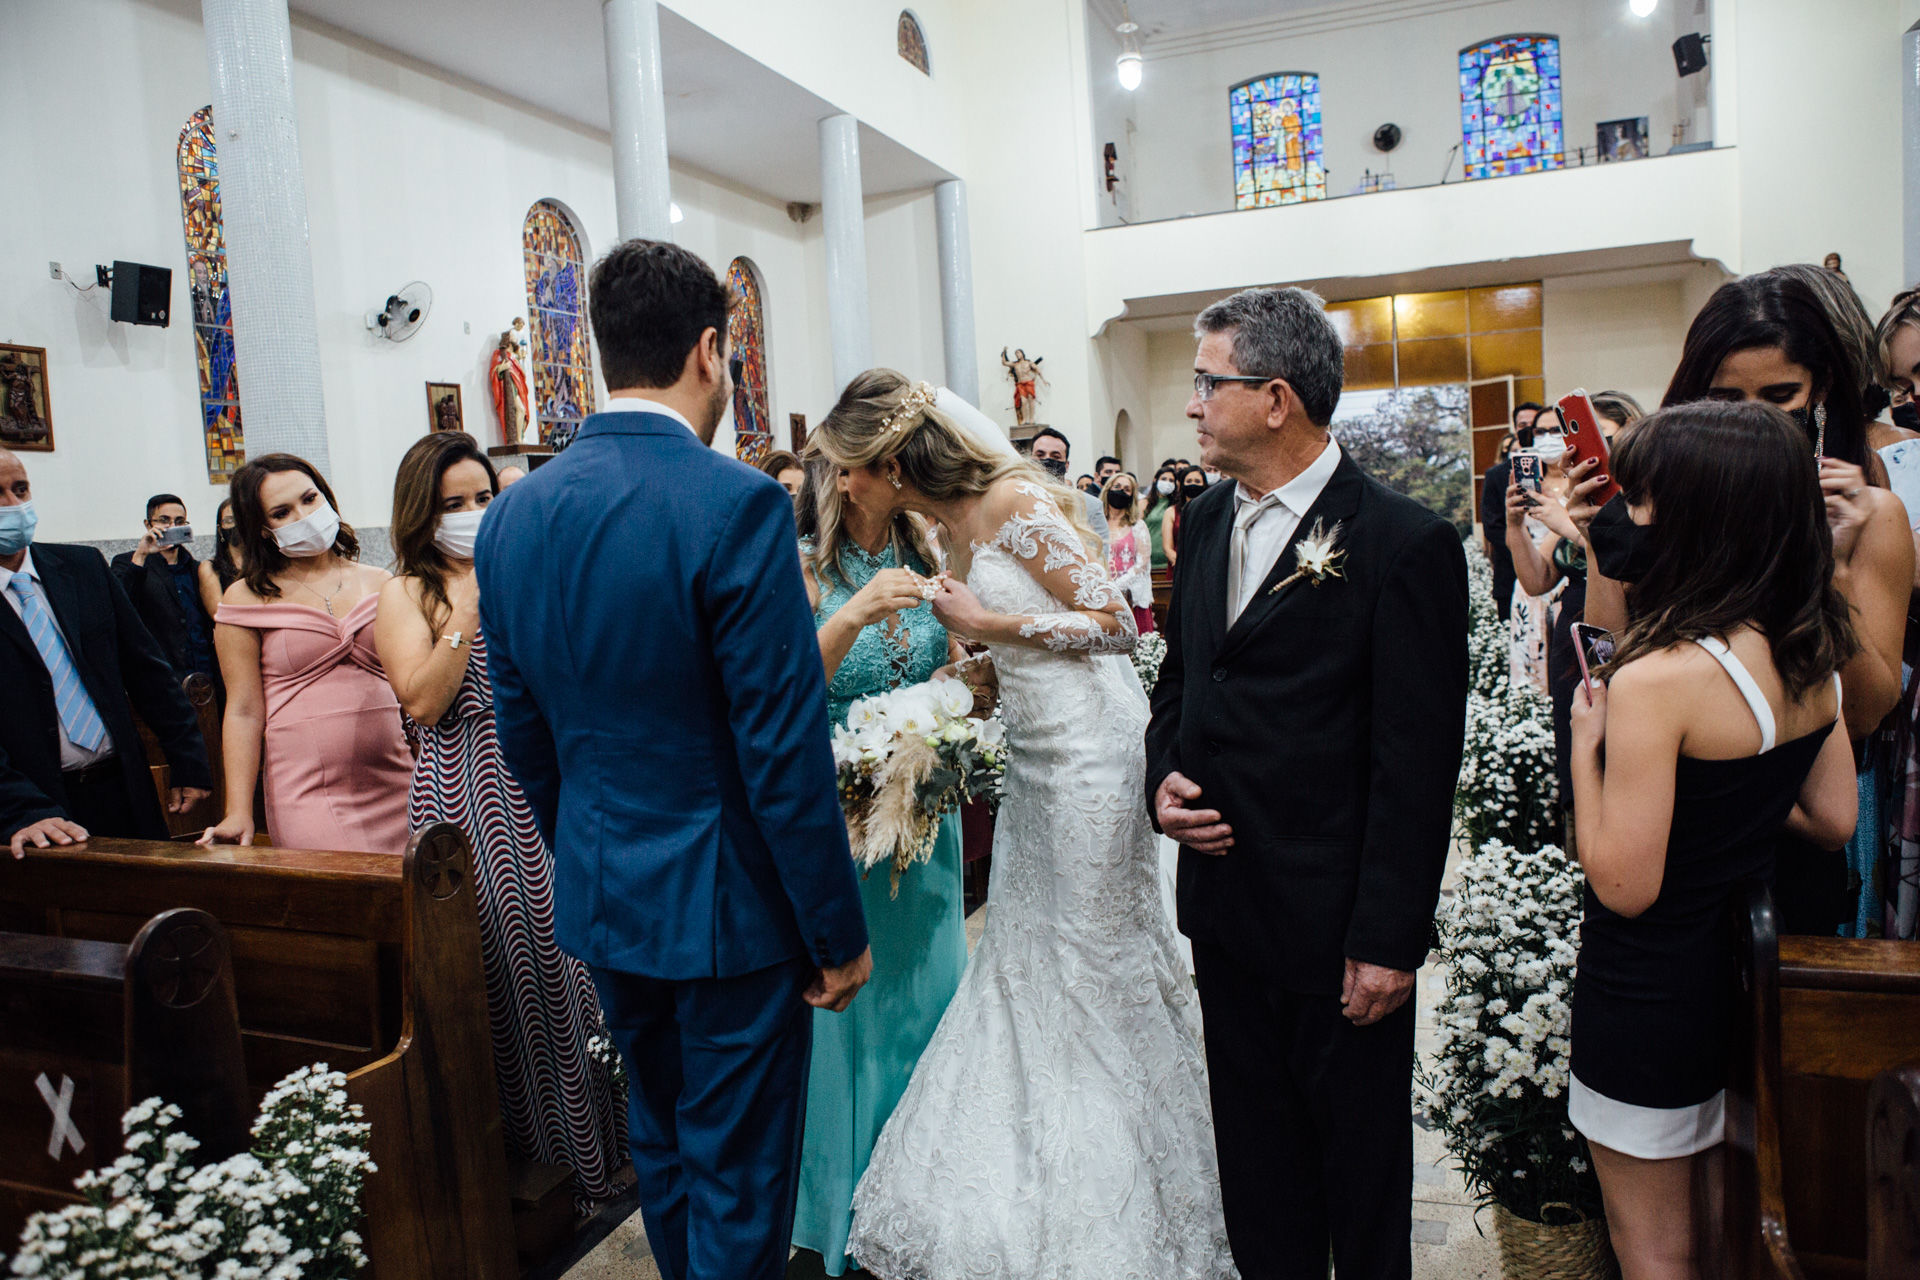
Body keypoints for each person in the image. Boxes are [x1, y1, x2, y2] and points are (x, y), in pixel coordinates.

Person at [475, 238, 870, 1280]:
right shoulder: (733, 503)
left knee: (665, 1146)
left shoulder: (511, 516)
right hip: (731, 909)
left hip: (609, 894)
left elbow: (526, 737)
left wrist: (599, 857)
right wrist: (833, 928)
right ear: (710, 350)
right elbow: (779, 744)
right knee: (740, 1167)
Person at [834, 375, 1234, 1279]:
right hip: (1032, 762)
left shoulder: (1012, 500)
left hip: (1093, 757)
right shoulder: (940, 527)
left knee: (1094, 958)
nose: (847, 487)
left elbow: (1115, 624)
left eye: (853, 470)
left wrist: (989, 621)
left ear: (893, 464)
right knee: (1026, 952)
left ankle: (1142, 1179)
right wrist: (936, 701)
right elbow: (995, 661)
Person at [1147, 286, 1468, 1278]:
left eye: (1210, 381)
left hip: (1338, 933)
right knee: (1260, 1174)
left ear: (1276, 396)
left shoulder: (1400, 542)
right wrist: (1161, 778)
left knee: (1360, 1184)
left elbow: (1418, 762)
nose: (1194, 403)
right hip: (1227, 912)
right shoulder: (1202, 519)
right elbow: (1181, 679)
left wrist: (1386, 939)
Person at [1567, 400, 1858, 1275]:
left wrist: (1588, 747)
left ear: (1704, 513)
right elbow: (1832, 817)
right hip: (1737, 984)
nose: (1632, 515)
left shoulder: (1660, 678)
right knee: (1729, 1239)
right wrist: (1731, 808)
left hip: (1647, 990)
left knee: (1656, 1255)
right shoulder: (1809, 644)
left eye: (1646, 497)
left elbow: (1625, 883)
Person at [1615, 273, 1913, 937]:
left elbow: (1864, 707)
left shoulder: (1872, 513)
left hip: (1796, 814)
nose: (1752, 420)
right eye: (1727, 398)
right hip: (1669, 816)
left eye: (1780, 397)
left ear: (1823, 392)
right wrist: (1613, 543)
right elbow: (1610, 658)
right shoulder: (1663, 505)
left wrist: (1824, 564)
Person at [375, 431, 628, 1211]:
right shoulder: (405, 592)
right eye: (454, 504)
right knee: (526, 976)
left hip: (550, 783)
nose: (475, 514)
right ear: (422, 513)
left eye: (483, 497)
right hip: (468, 801)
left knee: (586, 970)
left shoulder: (530, 565)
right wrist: (472, 605)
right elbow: (421, 699)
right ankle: (565, 1167)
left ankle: (623, 1144)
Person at [789, 430, 969, 1277]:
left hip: (925, 806)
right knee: (855, 1015)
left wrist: (957, 692)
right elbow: (787, 682)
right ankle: (842, 1203)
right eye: (886, 463)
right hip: (842, 812)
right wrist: (853, 613)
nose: (903, 476)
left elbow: (961, 662)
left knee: (929, 1000)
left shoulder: (928, 548)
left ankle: (921, 1192)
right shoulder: (801, 568)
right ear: (846, 476)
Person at [0, 447, 212, 857]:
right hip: (34, 812)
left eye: (20, 488)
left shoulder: (82, 567)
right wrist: (18, 809)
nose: (13, 505)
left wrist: (187, 759)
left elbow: (146, 668)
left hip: (123, 787)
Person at [198, 453, 412, 853]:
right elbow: (243, 709)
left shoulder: (381, 582)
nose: (303, 515)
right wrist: (238, 809)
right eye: (282, 512)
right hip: (309, 792)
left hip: (399, 778)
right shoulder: (244, 597)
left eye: (309, 499)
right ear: (262, 529)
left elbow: (410, 686)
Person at [1507, 393, 1642, 828]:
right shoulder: (1580, 500)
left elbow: (1631, 560)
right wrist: (1515, 528)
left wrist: (1574, 524)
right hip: (1575, 635)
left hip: (1624, 625)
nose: (1592, 454)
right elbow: (1537, 580)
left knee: (1621, 750)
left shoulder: (1642, 499)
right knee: (1578, 747)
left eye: (1604, 439)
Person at [110, 494, 221, 688]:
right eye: (164, 520)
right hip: (160, 680)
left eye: (179, 521)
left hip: (204, 676)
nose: (172, 527)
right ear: (148, 524)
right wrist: (141, 554)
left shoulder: (198, 569)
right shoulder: (127, 562)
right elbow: (120, 607)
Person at [1481, 402, 1542, 622]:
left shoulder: (1556, 467)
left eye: (1533, 425)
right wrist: (1522, 552)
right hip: (1511, 573)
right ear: (1515, 428)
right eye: (1522, 425)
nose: (1527, 430)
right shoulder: (1497, 475)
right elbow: (1492, 525)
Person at [1028, 425, 1110, 546]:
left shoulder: (1091, 505)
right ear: (1030, 459)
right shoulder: (1014, 497)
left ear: (1066, 465)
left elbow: (1100, 555)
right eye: (1040, 455)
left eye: (1055, 456)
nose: (1047, 460)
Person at [1102, 471, 1155, 633]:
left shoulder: (1137, 526)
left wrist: (1118, 585)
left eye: (1126, 489)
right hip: (1102, 595)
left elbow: (1142, 563)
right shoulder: (1096, 523)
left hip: (1131, 596)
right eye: (1116, 486)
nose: (1120, 491)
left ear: (1132, 496)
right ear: (1107, 490)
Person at [1160, 463, 1209, 567]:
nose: (1193, 484)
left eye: (1197, 481)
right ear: (1182, 485)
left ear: (1204, 484)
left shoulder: (1210, 511)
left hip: (1204, 566)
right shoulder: (1171, 512)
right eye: (1189, 481)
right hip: (1178, 566)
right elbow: (1167, 547)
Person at [202, 497, 243, 604]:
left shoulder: (264, 563)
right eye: (229, 521)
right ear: (220, 529)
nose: (236, 525)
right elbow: (217, 611)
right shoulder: (210, 567)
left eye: (241, 519)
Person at [1144, 464, 1179, 571]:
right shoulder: (1144, 504)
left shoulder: (1177, 506)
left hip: (1171, 560)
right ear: (1155, 480)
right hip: (1149, 560)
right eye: (1164, 479)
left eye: (1171, 480)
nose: (1167, 483)